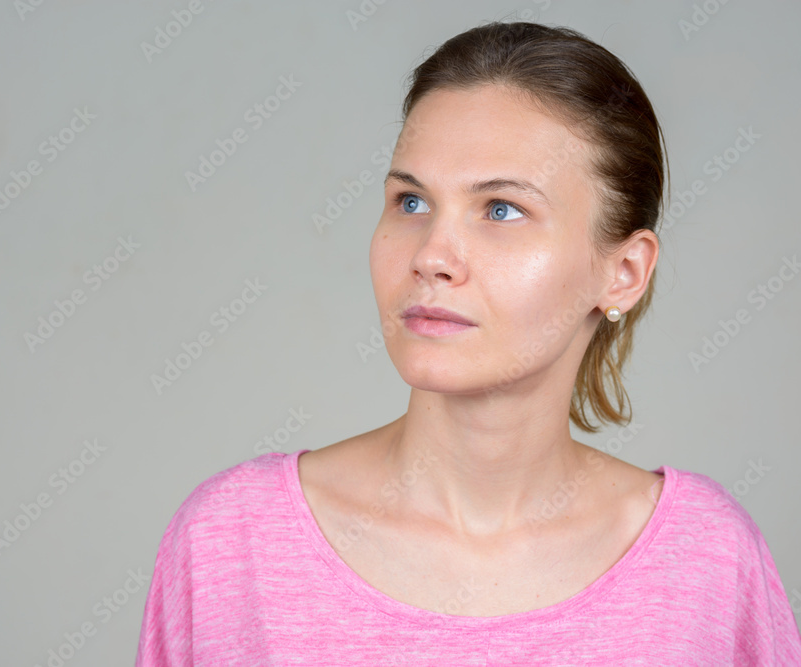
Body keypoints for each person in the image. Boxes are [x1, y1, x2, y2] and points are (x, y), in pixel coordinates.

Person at [135, 21, 801, 665]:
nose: (431, 255)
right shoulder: (231, 544)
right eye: (412, 202)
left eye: (501, 209)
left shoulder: (708, 561)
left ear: (623, 273)